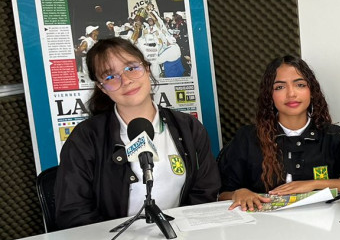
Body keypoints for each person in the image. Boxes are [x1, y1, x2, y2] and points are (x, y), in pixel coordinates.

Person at [55, 37, 220, 229]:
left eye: (131, 68)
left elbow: (205, 193)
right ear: (102, 88)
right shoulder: (86, 137)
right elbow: (73, 212)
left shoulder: (188, 127)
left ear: (147, 69)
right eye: (110, 77)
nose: (125, 81)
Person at [218, 54, 340, 210]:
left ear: (311, 91)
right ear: (270, 95)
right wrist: (238, 194)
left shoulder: (332, 136)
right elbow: (220, 194)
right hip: (264, 232)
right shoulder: (247, 138)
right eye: (280, 87)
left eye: (300, 85)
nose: (291, 93)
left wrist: (313, 184)